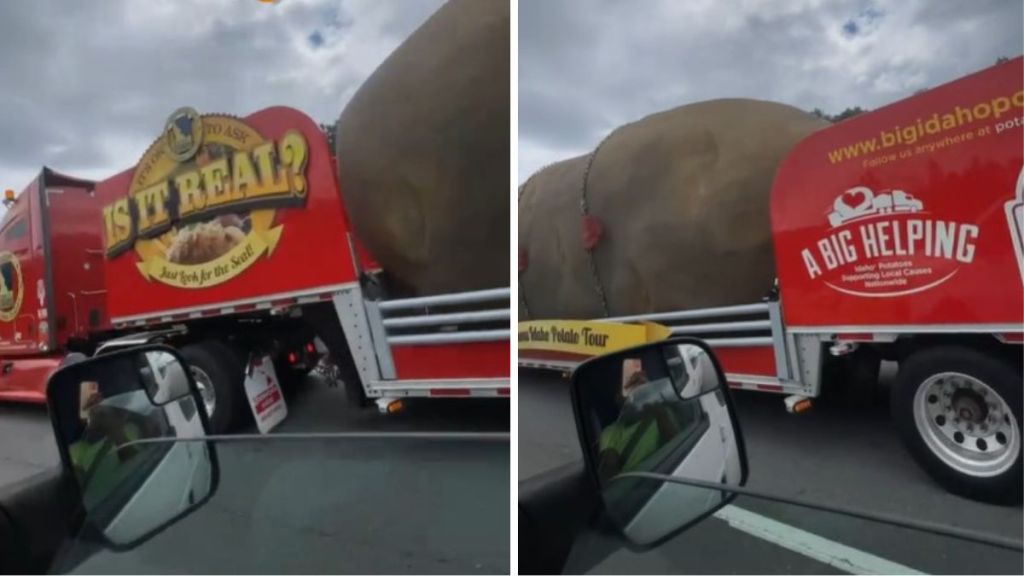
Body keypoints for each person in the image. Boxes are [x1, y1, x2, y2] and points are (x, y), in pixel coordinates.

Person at [596, 356, 682, 482]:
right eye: (626, 387)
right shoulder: (610, 431)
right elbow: (609, 469)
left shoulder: (660, 415)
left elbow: (676, 445)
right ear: (617, 398)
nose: (633, 392)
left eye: (636, 386)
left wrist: (650, 395)